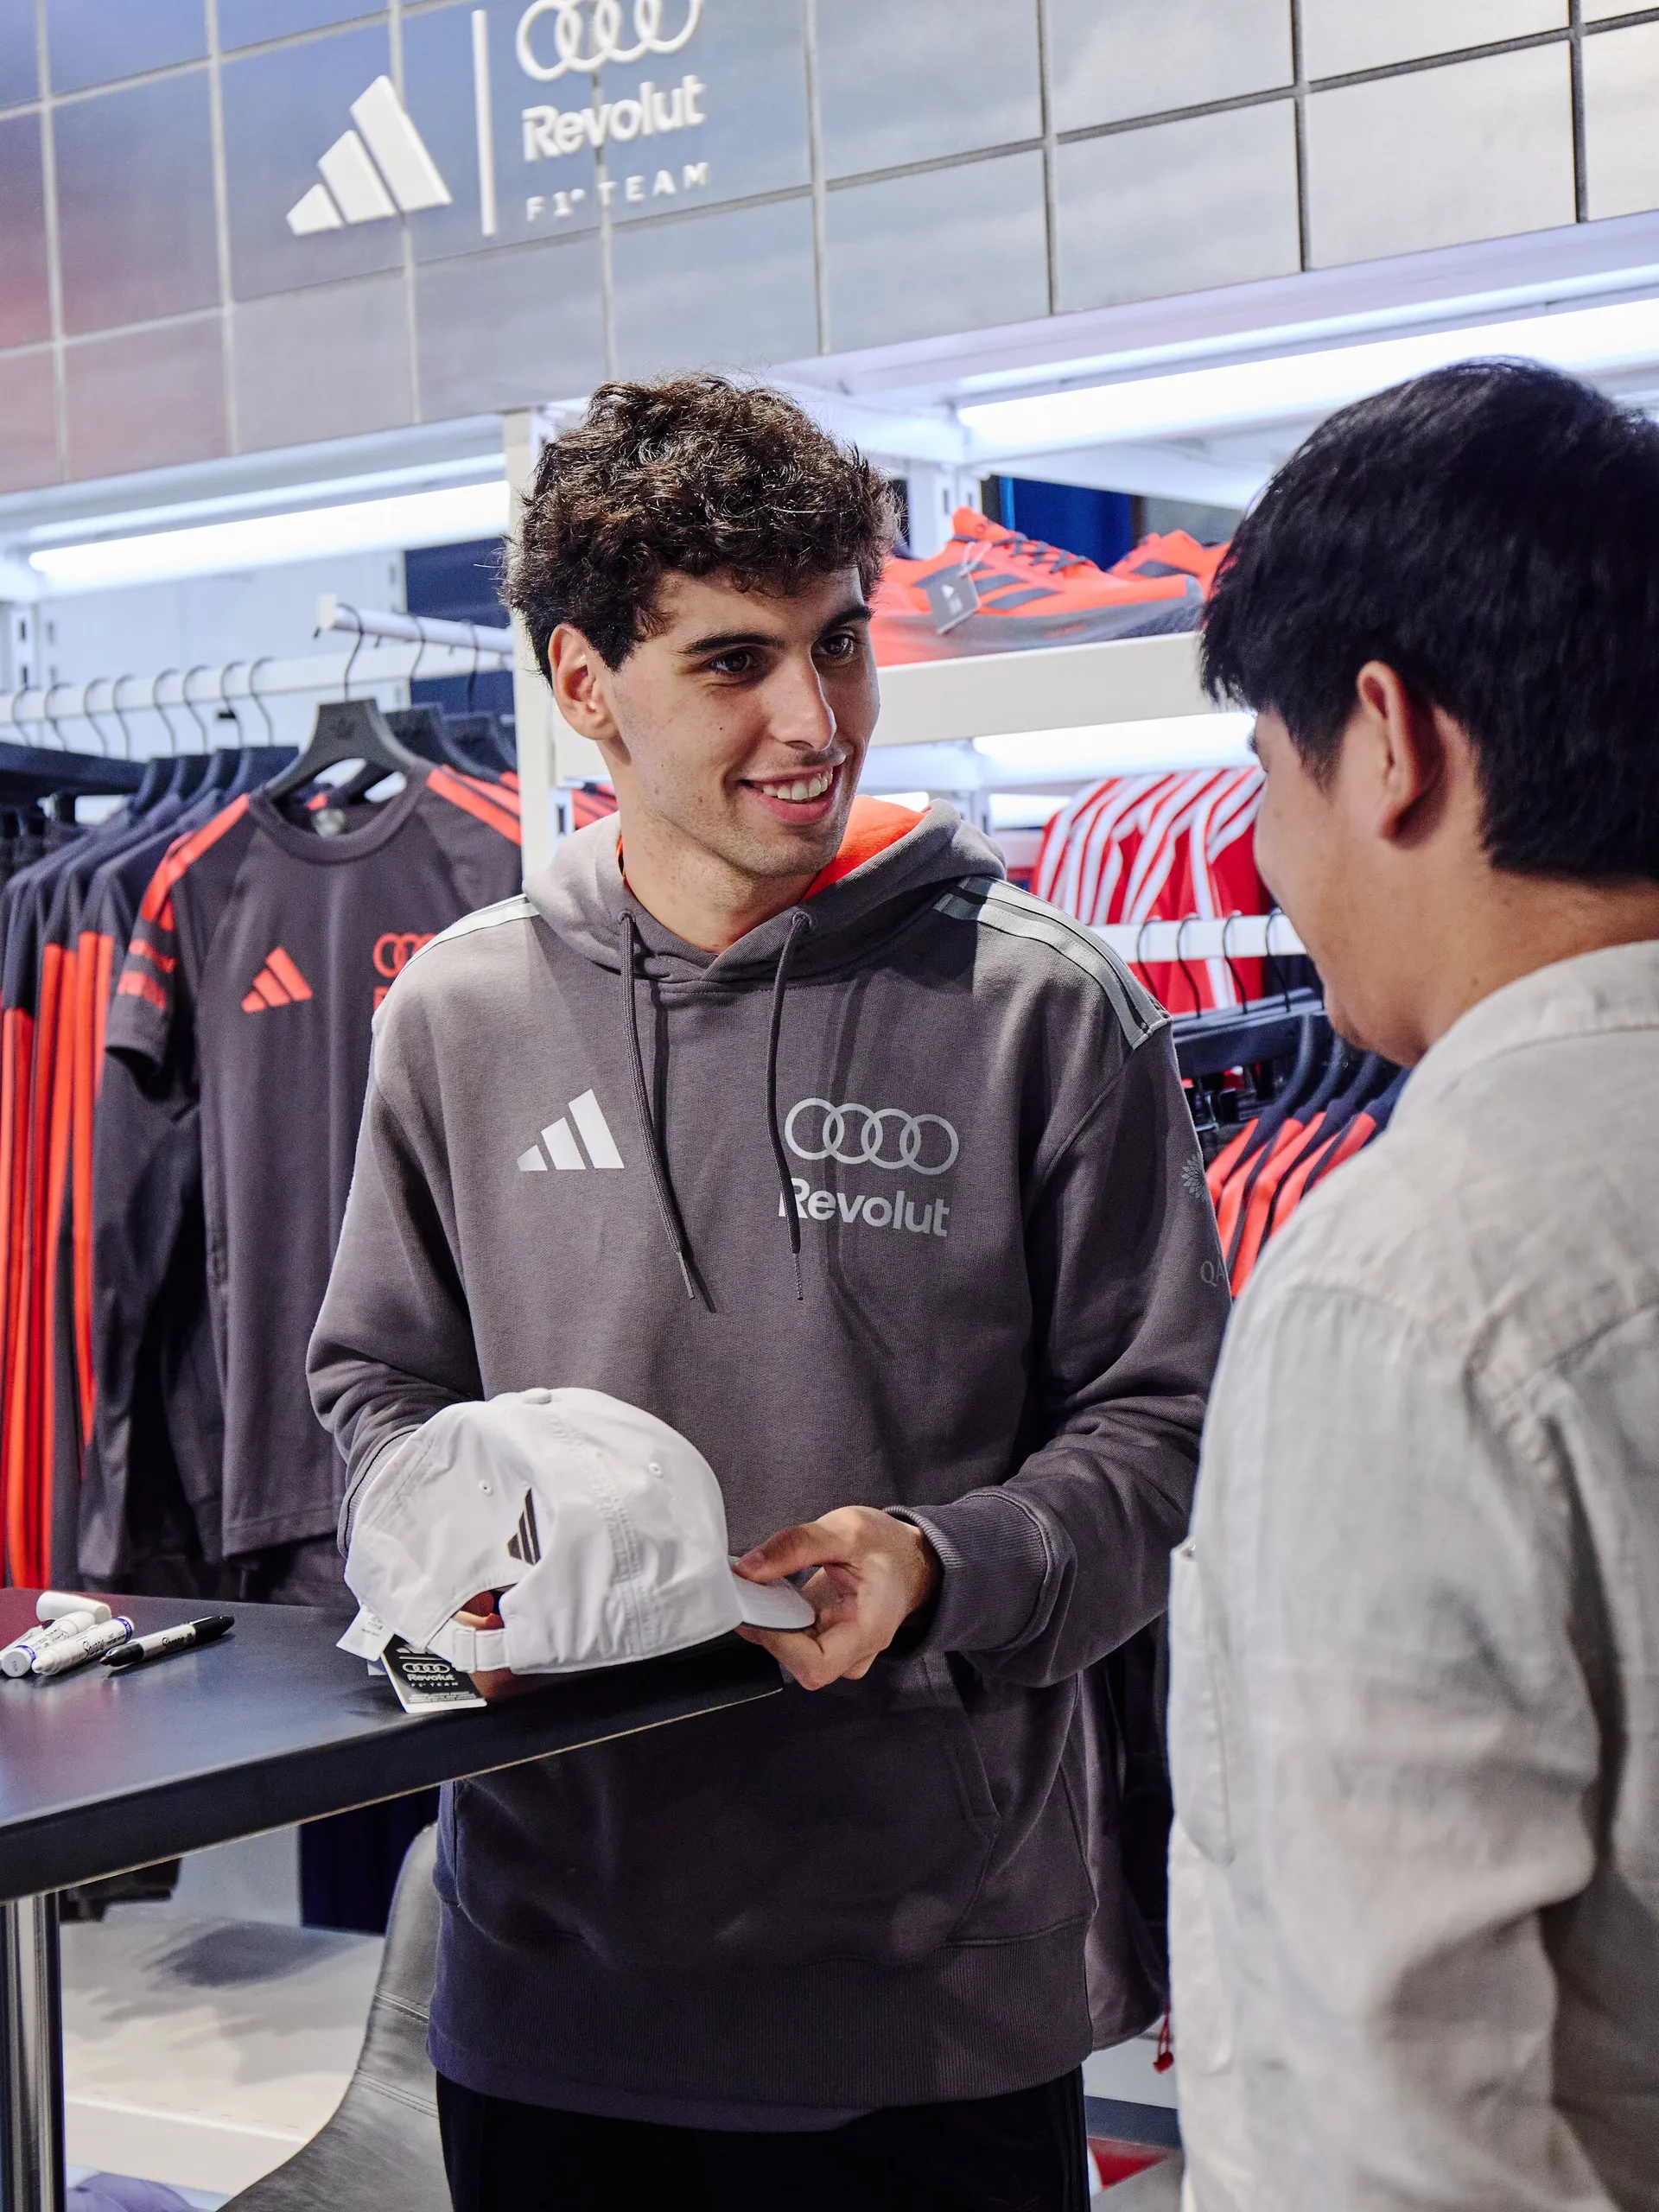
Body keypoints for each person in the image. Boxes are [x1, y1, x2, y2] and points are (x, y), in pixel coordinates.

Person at [308, 374, 1229, 2210]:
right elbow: (378, 1394)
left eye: (841, 646)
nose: (816, 720)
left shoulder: (1048, 1007)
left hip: (933, 2009)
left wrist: (939, 1558)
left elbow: (1166, 1432)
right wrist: (456, 1564)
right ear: (584, 687)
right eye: (736, 661)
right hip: (553, 1994)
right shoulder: (460, 1016)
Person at [1168, 359, 1659, 2209]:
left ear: (1388, 737)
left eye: (1267, 775)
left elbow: (1392, 2133)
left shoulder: (1405, 1287)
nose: (1266, 860)